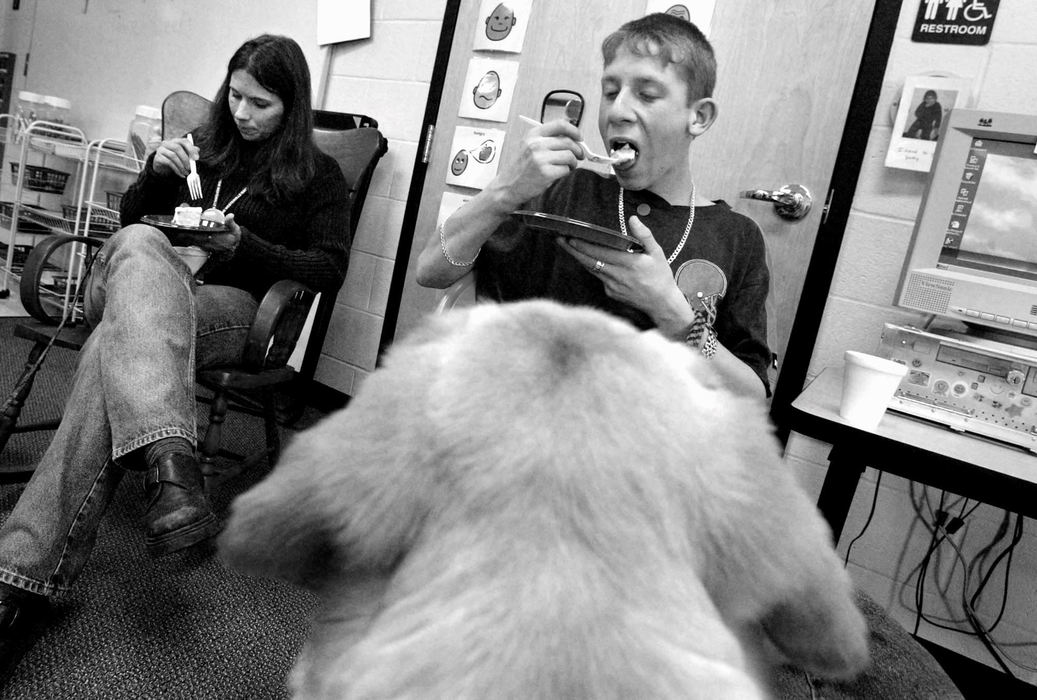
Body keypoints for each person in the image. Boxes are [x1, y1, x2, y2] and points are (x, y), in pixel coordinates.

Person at [0, 34, 351, 675]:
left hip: (221, 305)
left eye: (262, 105)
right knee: (136, 238)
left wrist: (244, 245)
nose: (243, 115)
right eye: (237, 96)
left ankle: (18, 578)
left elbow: (328, 268)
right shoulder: (200, 147)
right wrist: (151, 178)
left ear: (291, 107)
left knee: (113, 347)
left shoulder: (316, 178)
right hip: (132, 282)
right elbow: (132, 223)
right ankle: (173, 461)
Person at [417, 13, 770, 399]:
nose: (617, 111)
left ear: (698, 117)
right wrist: (503, 192)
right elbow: (431, 271)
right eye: (610, 91)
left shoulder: (737, 237)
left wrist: (672, 313)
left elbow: (750, 395)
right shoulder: (557, 191)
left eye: (647, 94)